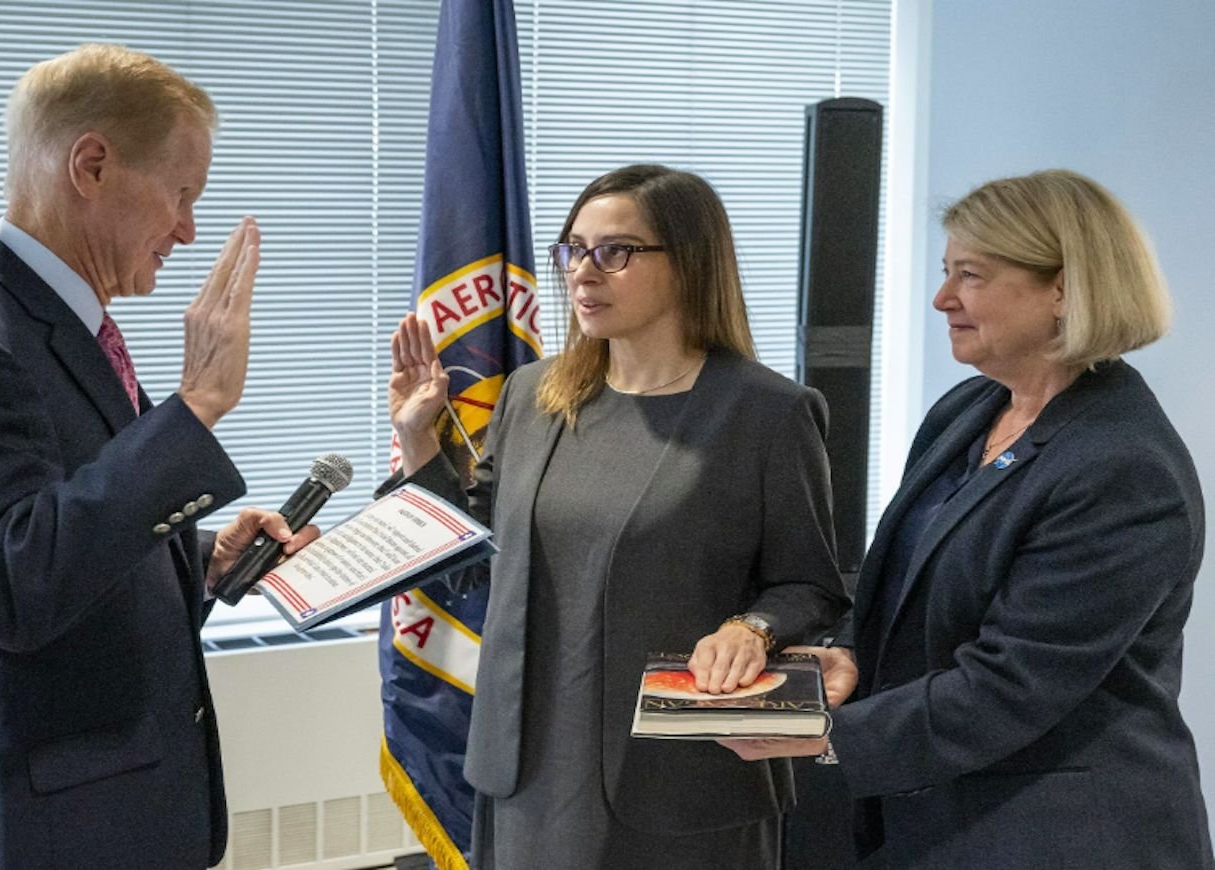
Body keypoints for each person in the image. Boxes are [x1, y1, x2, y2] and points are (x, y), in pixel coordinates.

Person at [726, 169, 1213, 869]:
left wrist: (814, 735)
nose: (941, 297)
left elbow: (1008, 685)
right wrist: (847, 656)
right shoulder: (967, 411)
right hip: (929, 820)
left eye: (971, 275)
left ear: (1064, 289)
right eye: (947, 271)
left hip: (1060, 836)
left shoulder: (1123, 467)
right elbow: (907, 591)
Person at [0, 45, 318, 869]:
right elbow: (3, 585)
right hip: (52, 831)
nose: (187, 228)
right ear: (91, 165)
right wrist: (196, 406)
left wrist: (196, 563)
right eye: (180, 194)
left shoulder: (62, 321)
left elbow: (66, 527)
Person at [385, 164, 848, 869]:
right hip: (527, 771)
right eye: (574, 249)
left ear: (690, 264)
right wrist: (419, 437)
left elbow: (810, 585)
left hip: (679, 774)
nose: (584, 273)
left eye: (616, 252)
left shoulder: (767, 413)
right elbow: (466, 548)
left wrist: (751, 628)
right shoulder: (532, 395)